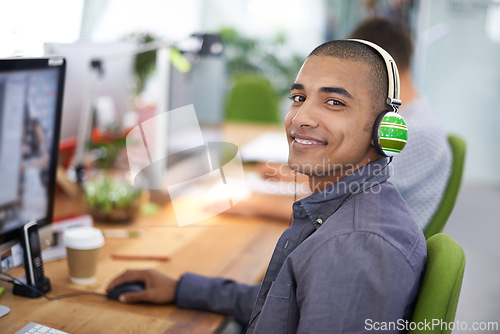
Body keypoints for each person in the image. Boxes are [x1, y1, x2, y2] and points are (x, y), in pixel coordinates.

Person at [107, 40, 427, 333]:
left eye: (333, 102)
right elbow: (284, 303)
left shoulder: (353, 250)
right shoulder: (338, 210)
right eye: (299, 97)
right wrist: (181, 289)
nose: (300, 117)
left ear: (386, 129)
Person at [349, 17, 452, 229]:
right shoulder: (395, 118)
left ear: (386, 66)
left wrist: (260, 201)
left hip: (375, 247)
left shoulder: (415, 131)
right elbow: (345, 179)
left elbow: (340, 205)